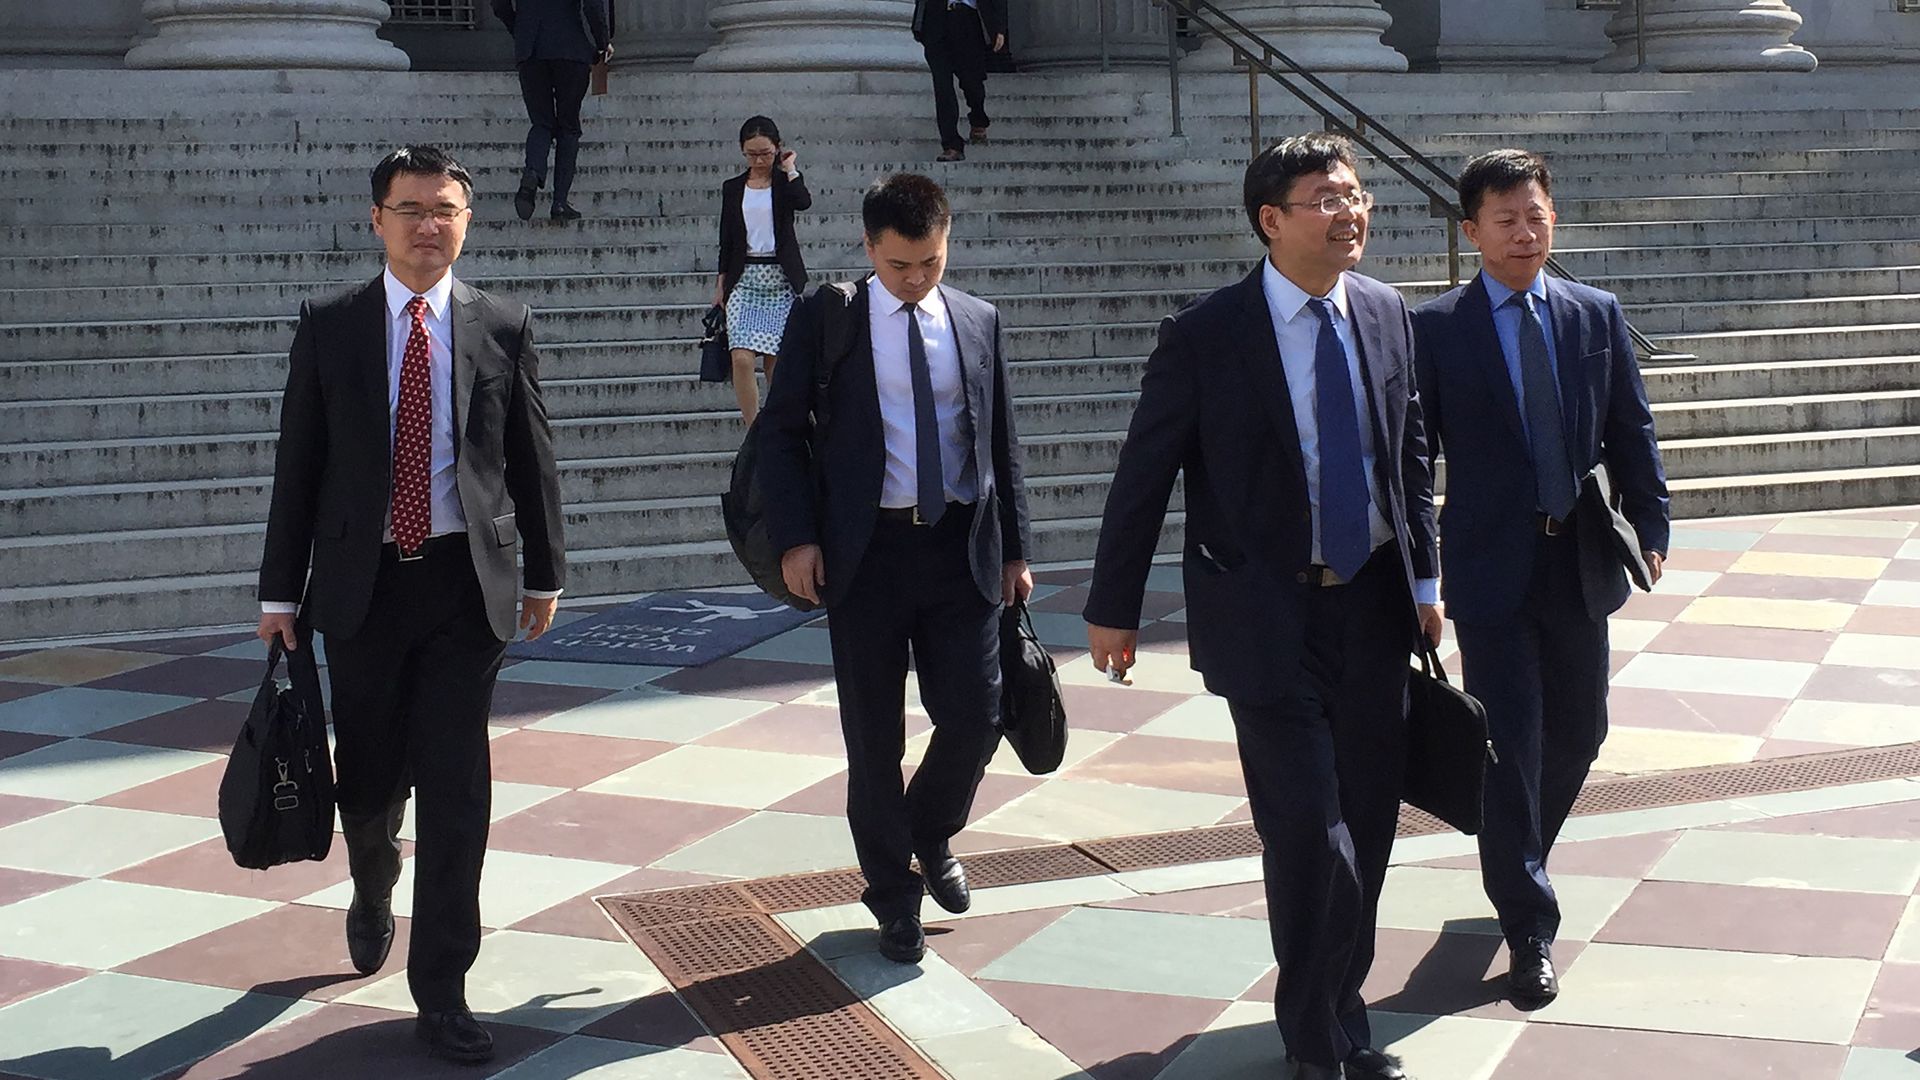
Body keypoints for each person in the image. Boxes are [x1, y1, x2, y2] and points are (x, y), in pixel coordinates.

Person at [1084, 133, 1441, 1080]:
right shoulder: (1207, 335)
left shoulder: (1387, 314)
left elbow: (1407, 461)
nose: (1349, 212)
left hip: (1370, 609)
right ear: (1270, 220)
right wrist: (1112, 605)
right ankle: (1317, 1037)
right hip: (1265, 620)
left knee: (1367, 822)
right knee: (1309, 832)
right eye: (1324, 198)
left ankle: (1339, 1006)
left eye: (1356, 194)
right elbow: (1143, 473)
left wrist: (1426, 583)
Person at [255, 145, 567, 1065]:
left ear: (467, 220)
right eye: (411, 209)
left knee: (458, 783)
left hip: (463, 587)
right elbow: (297, 465)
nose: (430, 225)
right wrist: (280, 592)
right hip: (360, 588)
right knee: (370, 774)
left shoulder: (500, 324)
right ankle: (373, 875)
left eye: (447, 209)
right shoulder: (333, 324)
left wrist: (545, 572)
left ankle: (444, 990)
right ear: (377, 220)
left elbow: (531, 457)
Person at [1411, 148, 1669, 1009]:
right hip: (1487, 569)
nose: (1525, 233)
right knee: (1509, 741)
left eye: (1537, 216)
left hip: (1580, 558)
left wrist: (1652, 523)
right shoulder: (1438, 328)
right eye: (1506, 220)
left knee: (1581, 734)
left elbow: (1632, 428)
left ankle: (1513, 848)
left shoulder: (1595, 314)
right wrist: (1421, 571)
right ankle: (1529, 923)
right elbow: (1416, 459)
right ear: (1471, 231)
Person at [756, 173, 1033, 965]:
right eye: (900, 265)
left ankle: (930, 830)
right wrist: (798, 538)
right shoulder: (827, 317)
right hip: (865, 555)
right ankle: (892, 895)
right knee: (873, 739)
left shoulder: (978, 320)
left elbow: (1002, 441)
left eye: (931, 263)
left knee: (976, 717)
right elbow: (781, 434)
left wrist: (1016, 549)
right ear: (870, 247)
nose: (916, 280)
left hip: (960, 549)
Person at [713, 116, 812, 425]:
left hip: (780, 278)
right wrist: (720, 286)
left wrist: (790, 168)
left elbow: (804, 202)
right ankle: (754, 426)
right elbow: (726, 240)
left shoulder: (785, 183)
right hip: (745, 277)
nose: (758, 160)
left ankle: (782, 424)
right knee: (740, 356)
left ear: (777, 149)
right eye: (751, 153)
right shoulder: (732, 188)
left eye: (765, 153)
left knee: (775, 361)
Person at [493, 0, 612, 222]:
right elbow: (593, 6)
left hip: (531, 50)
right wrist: (603, 43)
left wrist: (521, 30)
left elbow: (499, 5)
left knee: (541, 122)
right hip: (571, 48)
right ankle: (559, 202)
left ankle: (533, 172)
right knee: (568, 127)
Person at [911, 0, 1008, 162]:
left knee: (972, 82)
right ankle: (952, 145)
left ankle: (978, 117)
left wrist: (999, 27)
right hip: (935, 21)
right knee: (942, 86)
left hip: (967, 20)